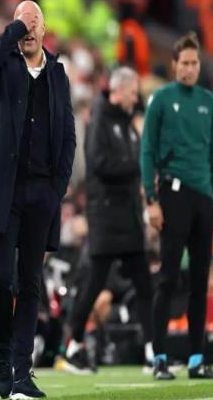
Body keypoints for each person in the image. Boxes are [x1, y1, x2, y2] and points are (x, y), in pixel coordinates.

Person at [0, 0, 76, 400]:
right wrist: (13, 30)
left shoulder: (58, 75)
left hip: (41, 193)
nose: (28, 28)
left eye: (33, 22)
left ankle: (22, 369)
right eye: (21, 22)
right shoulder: (5, 66)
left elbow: (68, 134)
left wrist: (56, 188)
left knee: (30, 282)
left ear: (45, 30)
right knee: (1, 280)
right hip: (3, 191)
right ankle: (4, 354)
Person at [140, 31, 213, 380]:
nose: (189, 69)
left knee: (199, 283)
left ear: (199, 65)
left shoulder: (208, 101)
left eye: (194, 63)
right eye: (184, 63)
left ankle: (196, 360)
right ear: (175, 64)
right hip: (173, 195)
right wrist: (151, 199)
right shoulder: (161, 99)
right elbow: (147, 150)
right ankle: (160, 358)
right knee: (168, 278)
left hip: (203, 198)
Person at [63, 67, 153, 373]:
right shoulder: (100, 120)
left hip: (128, 216)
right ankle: (73, 344)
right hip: (106, 217)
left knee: (143, 283)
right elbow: (100, 165)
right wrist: (137, 165)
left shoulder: (126, 123)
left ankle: (154, 351)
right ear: (119, 90)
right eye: (133, 92)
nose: (135, 98)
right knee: (94, 284)